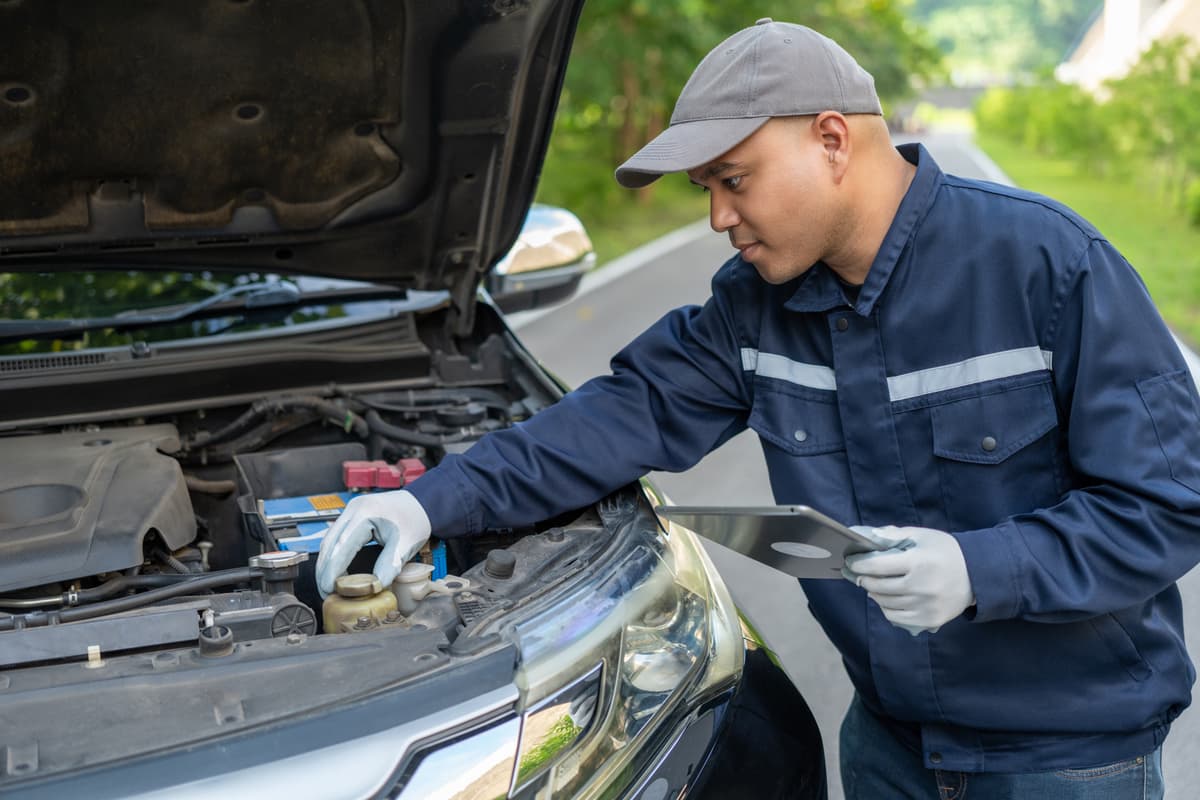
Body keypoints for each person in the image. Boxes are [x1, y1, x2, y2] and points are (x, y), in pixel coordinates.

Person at [317, 18, 1200, 799]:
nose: (717, 216)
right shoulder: (754, 307)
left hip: (1066, 761)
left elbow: (1170, 504)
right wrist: (431, 501)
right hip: (888, 746)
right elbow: (619, 415)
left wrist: (983, 568)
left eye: (734, 179)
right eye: (706, 188)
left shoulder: (1049, 267)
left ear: (831, 139)